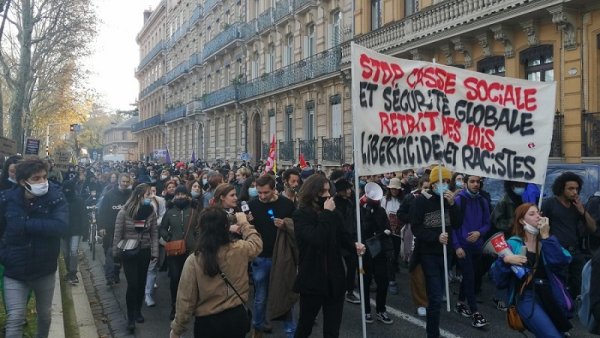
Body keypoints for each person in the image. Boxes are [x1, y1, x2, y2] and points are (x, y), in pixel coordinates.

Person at [169, 207, 263, 338]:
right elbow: (256, 244)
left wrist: (177, 329)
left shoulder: (195, 260)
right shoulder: (239, 249)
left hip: (208, 321)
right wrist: (245, 224)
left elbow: (186, 298)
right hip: (236, 316)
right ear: (226, 227)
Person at [0, 159, 68, 337]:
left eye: (44, 177)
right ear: (23, 182)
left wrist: (27, 224)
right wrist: (4, 255)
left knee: (45, 316)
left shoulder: (56, 197)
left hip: (44, 270)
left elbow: (60, 226)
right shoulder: (7, 200)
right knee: (14, 318)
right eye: (36, 178)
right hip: (15, 270)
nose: (43, 182)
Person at [292, 174, 365, 338]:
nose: (326, 195)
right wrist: (326, 213)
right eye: (322, 192)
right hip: (312, 279)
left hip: (334, 279)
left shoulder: (334, 214)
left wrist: (355, 246)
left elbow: (343, 237)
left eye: (328, 191)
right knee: (305, 325)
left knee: (332, 330)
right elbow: (317, 238)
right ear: (312, 193)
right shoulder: (301, 215)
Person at [490, 203, 573, 337]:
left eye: (539, 213)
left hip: (549, 294)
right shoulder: (513, 244)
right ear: (522, 220)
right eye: (532, 214)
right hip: (526, 296)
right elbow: (497, 279)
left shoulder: (548, 240)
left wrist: (546, 236)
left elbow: (561, 262)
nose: (538, 216)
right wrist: (505, 261)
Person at [410, 166, 461, 338]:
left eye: (447, 182)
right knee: (435, 296)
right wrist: (436, 237)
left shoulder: (450, 200)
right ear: (432, 184)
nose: (445, 185)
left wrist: (453, 205)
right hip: (428, 253)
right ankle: (433, 333)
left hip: (446, 253)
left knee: (438, 293)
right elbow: (416, 228)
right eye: (441, 182)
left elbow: (458, 223)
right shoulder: (421, 201)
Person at [247, 175, 298, 338]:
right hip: (260, 257)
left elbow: (297, 227)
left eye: (266, 193)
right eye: (259, 192)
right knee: (260, 297)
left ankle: (290, 331)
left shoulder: (287, 204)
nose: (262, 196)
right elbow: (247, 230)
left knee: (284, 293)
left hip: (281, 257)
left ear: (274, 189)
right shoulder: (252, 204)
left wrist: (285, 225)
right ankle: (258, 328)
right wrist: (246, 223)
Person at [541, 171, 597, 297]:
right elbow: (540, 226)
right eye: (571, 189)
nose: (575, 192)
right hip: (558, 251)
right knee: (560, 286)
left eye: (577, 189)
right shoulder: (550, 204)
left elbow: (593, 228)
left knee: (580, 285)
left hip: (575, 252)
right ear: (561, 188)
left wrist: (582, 211)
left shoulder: (576, 206)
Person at [113, 183, 159, 333]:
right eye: (148, 194)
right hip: (129, 251)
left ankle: (138, 310)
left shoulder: (150, 211)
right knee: (132, 284)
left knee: (141, 283)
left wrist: (155, 252)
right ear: (139, 195)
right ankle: (130, 317)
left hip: (144, 251)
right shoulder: (125, 212)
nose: (151, 197)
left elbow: (154, 233)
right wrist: (116, 254)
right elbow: (118, 233)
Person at [452, 175, 491, 328]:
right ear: (466, 183)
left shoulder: (482, 201)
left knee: (471, 276)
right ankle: (475, 313)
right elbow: (453, 226)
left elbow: (487, 223)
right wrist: (457, 246)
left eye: (478, 182)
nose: (476, 184)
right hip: (463, 247)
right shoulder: (459, 200)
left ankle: (460, 303)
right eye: (472, 181)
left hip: (477, 247)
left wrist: (479, 233)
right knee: (469, 276)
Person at [160, 185, 198, 320]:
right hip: (174, 251)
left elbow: (199, 227)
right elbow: (163, 228)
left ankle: (190, 305)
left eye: (183, 194)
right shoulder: (170, 211)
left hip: (191, 251)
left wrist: (197, 240)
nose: (181, 197)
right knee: (175, 278)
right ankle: (175, 306)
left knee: (191, 280)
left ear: (188, 196)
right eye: (178, 194)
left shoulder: (194, 210)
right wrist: (168, 237)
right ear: (175, 196)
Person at [360, 182, 394, 325]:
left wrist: (382, 233)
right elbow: (363, 229)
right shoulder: (361, 211)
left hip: (379, 250)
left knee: (383, 281)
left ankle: (381, 309)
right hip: (365, 251)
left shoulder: (380, 210)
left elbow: (386, 228)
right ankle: (366, 310)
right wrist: (367, 212)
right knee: (365, 282)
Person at [98, 173, 132, 285]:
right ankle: (109, 276)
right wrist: (101, 227)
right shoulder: (109, 195)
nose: (125, 184)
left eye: (127, 182)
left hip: (125, 228)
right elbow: (102, 211)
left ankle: (116, 273)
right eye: (123, 181)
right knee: (110, 252)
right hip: (110, 227)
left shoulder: (131, 195)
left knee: (120, 253)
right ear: (119, 181)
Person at [333, 178, 359, 305]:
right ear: (341, 191)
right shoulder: (335, 203)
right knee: (338, 266)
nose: (350, 190)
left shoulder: (349, 200)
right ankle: (342, 289)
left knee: (352, 264)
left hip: (350, 237)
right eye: (347, 188)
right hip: (341, 239)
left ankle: (349, 290)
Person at [62, 179, 89, 285]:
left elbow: (84, 216)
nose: (67, 191)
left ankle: (73, 272)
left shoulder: (79, 201)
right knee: (65, 252)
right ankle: (69, 270)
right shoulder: (61, 200)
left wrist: (85, 231)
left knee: (73, 251)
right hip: (64, 231)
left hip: (76, 230)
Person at [380, 177, 403, 295]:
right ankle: (391, 280)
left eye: (396, 189)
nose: (394, 191)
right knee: (389, 255)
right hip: (387, 232)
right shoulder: (384, 200)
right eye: (392, 189)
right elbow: (382, 214)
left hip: (398, 234)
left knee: (395, 254)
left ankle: (392, 272)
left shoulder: (402, 201)